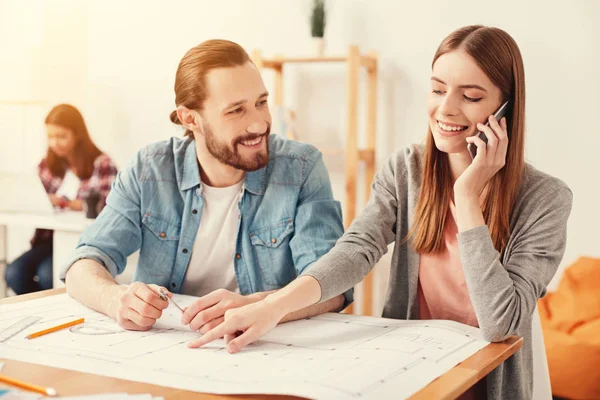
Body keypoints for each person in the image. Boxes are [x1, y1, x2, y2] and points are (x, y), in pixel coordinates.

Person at [191, 26, 573, 400]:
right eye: (438, 89)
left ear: (505, 109)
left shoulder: (545, 199)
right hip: (412, 377)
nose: (446, 108)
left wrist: (468, 198)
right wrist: (272, 307)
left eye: (471, 96)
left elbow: (500, 323)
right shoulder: (406, 169)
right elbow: (356, 250)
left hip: (488, 385)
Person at [62, 39, 351, 334]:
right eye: (236, 110)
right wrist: (116, 300)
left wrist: (259, 307)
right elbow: (82, 264)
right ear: (190, 119)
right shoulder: (150, 169)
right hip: (166, 346)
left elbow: (332, 285)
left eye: (261, 103)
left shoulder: (301, 167)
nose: (259, 124)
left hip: (264, 348)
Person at [4, 104, 118, 294]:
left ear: (78, 135)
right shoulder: (48, 164)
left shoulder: (102, 164)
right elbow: (34, 195)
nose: (55, 142)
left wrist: (63, 202)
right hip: (48, 240)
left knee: (49, 274)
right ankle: (39, 316)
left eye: (61, 136)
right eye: (50, 137)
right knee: (14, 273)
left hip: (82, 240)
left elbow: (106, 205)